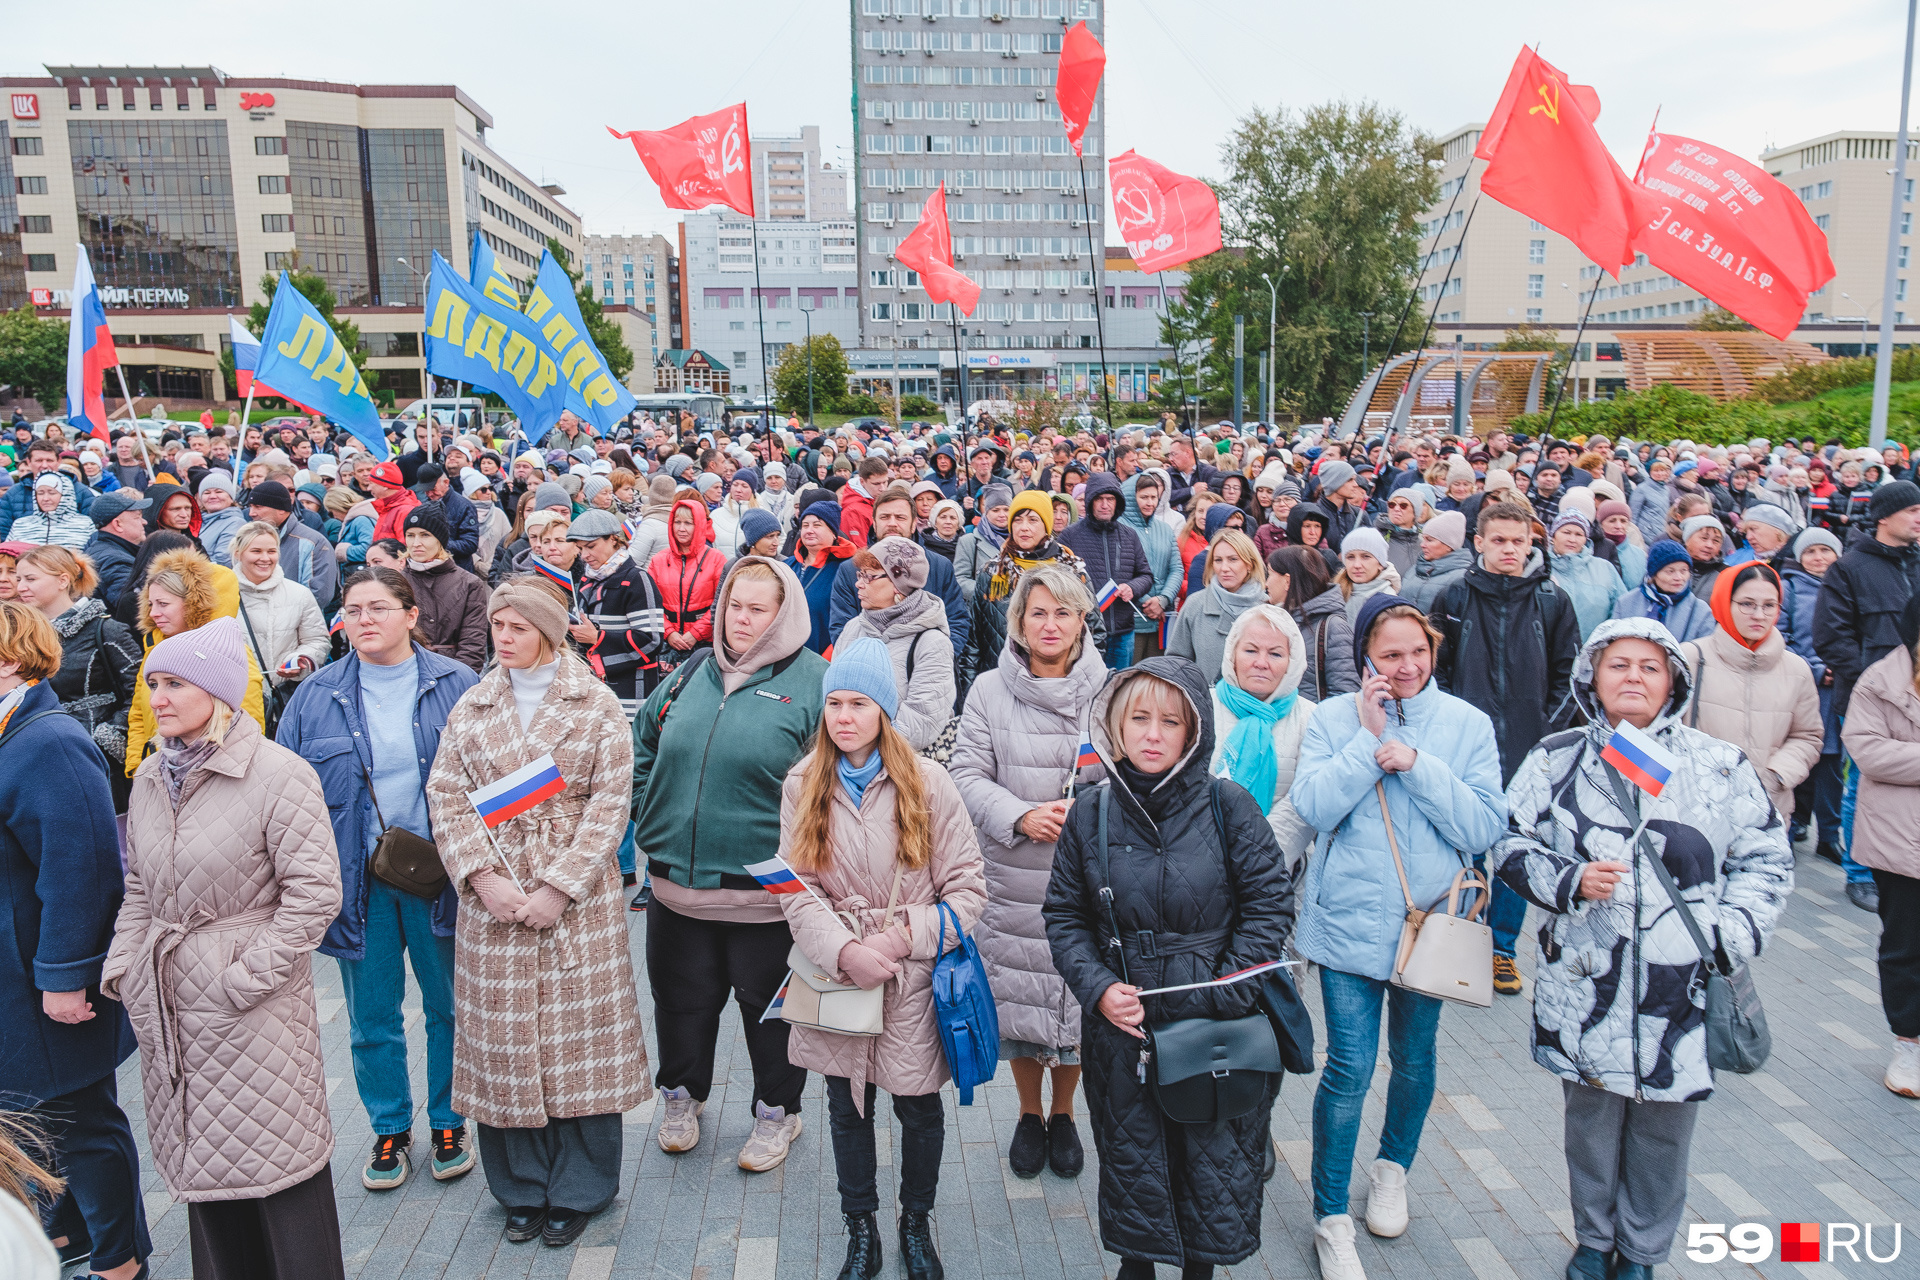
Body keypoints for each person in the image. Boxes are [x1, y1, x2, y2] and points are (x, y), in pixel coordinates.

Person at [1494, 618, 1792, 1280]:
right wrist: (1568, 880)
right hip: (1588, 979)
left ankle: (1645, 1250)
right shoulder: (1556, 757)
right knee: (1591, 1126)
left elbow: (1766, 856)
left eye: (1649, 667)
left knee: (1664, 1131)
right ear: (1593, 677)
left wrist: (1730, 931)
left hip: (1678, 988)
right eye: (1619, 664)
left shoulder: (1717, 765)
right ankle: (1594, 1240)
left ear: (1674, 682)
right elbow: (1509, 843)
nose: (1633, 677)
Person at [101, 616, 347, 1280]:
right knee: (206, 1181)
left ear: (216, 691)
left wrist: (243, 978)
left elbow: (314, 895)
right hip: (171, 1008)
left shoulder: (277, 773)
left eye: (175, 683)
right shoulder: (153, 777)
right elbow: (140, 887)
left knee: (279, 1176)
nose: (158, 698)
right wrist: (125, 968)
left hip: (255, 1014)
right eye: (154, 683)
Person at [1042, 656, 1293, 1280]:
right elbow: (1065, 917)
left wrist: (1226, 991)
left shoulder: (1226, 804)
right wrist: (1098, 990)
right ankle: (1137, 1263)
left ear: (1194, 730)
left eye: (1170, 722)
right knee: (1133, 1161)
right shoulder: (1090, 811)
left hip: (1214, 1025)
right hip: (1124, 1030)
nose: (1153, 735)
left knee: (1212, 1167)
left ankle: (1201, 1269)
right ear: (1117, 727)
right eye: (1140, 719)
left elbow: (1269, 904)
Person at [425, 580, 651, 1246]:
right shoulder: (474, 702)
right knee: (502, 1045)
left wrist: (558, 887)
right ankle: (519, 1186)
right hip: (495, 897)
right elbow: (447, 795)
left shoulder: (596, 702)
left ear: (550, 633)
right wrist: (483, 878)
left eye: (519, 626)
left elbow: (612, 802)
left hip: (575, 900)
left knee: (578, 1044)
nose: (503, 635)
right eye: (497, 624)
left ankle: (582, 1187)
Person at [1289, 596, 1506, 1280]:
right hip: (1350, 921)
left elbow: (1482, 828)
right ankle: (1330, 1215)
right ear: (1367, 662)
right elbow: (1314, 807)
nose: (1406, 666)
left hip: (1433, 923)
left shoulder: (1468, 725)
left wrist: (1417, 762)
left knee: (1414, 1058)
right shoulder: (1330, 717)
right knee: (1349, 1068)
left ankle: (1392, 1168)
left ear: (1434, 652)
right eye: (1390, 655)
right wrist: (1367, 738)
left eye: (1417, 652)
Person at [776, 637, 988, 1280]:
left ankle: (915, 1223)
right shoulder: (803, 783)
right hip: (839, 972)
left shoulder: (930, 783)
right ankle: (859, 1225)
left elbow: (968, 891)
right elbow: (795, 889)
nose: (844, 716)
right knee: (846, 1104)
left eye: (859, 703)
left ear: (884, 711)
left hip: (913, 978)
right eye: (834, 703)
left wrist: (896, 942)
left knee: (919, 1106)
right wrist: (844, 950)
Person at [278, 567, 480, 1193]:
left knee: (450, 1006)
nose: (363, 620)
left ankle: (450, 1119)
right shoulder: (317, 696)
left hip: (441, 877)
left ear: (411, 614)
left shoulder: (459, 685)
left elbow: (497, 775)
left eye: (378, 608)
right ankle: (390, 1126)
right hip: (356, 882)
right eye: (352, 609)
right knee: (372, 1016)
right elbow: (284, 792)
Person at [631, 557, 827, 1172]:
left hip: (764, 897)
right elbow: (643, 742)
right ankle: (682, 1097)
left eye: (756, 609)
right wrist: (649, 810)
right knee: (680, 1001)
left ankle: (777, 1112)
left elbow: (832, 786)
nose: (741, 620)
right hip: (675, 889)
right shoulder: (691, 672)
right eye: (733, 606)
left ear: (783, 612)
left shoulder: (814, 682)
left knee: (767, 1011)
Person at [0, 602, 149, 1280]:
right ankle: (64, 1242)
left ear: (10, 658)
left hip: (44, 983)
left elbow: (82, 870)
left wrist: (65, 977)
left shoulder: (48, 741)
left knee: (83, 1127)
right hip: (13, 984)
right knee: (30, 1127)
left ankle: (121, 1264)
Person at [950, 563, 1108, 1179]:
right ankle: (1026, 1111)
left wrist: (1086, 809)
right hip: (1013, 872)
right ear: (1018, 621)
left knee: (1074, 1000)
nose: (1050, 625)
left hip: (1085, 874)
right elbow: (965, 774)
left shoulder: (1112, 689)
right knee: (1019, 997)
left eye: (1062, 613)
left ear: (1080, 621)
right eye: (1037, 613)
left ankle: (1065, 1112)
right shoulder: (989, 689)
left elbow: (1132, 777)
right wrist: (1018, 816)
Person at [1814, 478, 1920, 913]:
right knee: (1864, 782)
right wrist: (1874, 685)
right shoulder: (1849, 568)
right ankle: (1861, 874)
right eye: (1912, 510)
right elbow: (1830, 636)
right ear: (1884, 517)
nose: (1919, 518)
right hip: (1871, 699)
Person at [1840, 593, 1920, 1096]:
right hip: (1902, 840)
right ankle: (1907, 1048)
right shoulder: (1881, 681)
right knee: (1906, 948)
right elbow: (1866, 749)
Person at [1678, 562, 1823, 823]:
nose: (1759, 615)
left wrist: (1777, 775)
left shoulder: (1797, 669)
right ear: (1725, 603)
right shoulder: (1689, 658)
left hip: (1766, 810)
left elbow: (1808, 736)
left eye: (1769, 605)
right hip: (1696, 810)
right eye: (1747, 604)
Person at [13, 546, 142, 811]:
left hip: (94, 761)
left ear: (63, 581)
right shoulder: (22, 636)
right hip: (39, 757)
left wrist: (106, 737)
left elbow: (140, 692)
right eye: (19, 579)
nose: (21, 586)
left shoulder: (106, 630)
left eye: (31, 578)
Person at [124, 548, 264, 780]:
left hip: (214, 777)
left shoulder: (226, 655)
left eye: (163, 603)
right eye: (150, 604)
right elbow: (139, 712)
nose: (154, 613)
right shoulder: (155, 651)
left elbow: (247, 719)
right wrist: (138, 766)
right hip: (159, 774)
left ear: (192, 604)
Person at [1210, 603, 1317, 874]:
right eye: (1250, 650)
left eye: (1275, 653)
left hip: (1278, 870)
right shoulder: (1201, 707)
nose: (1261, 662)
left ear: (1292, 662)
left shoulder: (1310, 718)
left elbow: (1303, 803)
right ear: (1232, 654)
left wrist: (1260, 859)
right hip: (1202, 866)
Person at [961, 491, 1092, 690]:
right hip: (1001, 685)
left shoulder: (1071, 570)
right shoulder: (993, 572)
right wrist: (970, 691)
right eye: (1018, 520)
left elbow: (1094, 632)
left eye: (1033, 520)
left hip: (1059, 685)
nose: (1024, 527)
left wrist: (1078, 681)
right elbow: (974, 641)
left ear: (1046, 524)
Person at [838, 537, 954, 751]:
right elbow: (832, 697)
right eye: (859, 574)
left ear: (898, 585)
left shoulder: (931, 642)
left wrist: (866, 750)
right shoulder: (854, 628)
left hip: (901, 767)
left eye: (869, 576)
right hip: (848, 760)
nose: (858, 583)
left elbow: (922, 720)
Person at [1781, 527, 1846, 860]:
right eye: (1810, 552)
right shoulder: (1790, 588)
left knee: (1832, 765)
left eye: (1825, 551)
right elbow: (1782, 637)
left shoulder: (1847, 586)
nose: (1818, 558)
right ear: (1800, 557)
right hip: (1804, 689)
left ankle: (1829, 835)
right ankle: (1791, 827)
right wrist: (1818, 669)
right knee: (1799, 760)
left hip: (1839, 690)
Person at [566, 508, 667, 717]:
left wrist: (597, 638)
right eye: (580, 548)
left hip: (630, 697)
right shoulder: (586, 580)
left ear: (614, 539)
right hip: (592, 691)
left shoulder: (638, 579)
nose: (585, 555)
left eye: (591, 546)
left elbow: (652, 640)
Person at [1057, 473, 1152, 669]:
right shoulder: (1069, 536)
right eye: (1099, 499)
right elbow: (1059, 582)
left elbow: (1146, 575)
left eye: (1110, 499)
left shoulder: (1129, 535)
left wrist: (1132, 588)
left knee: (1118, 688)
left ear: (1117, 502)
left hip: (1122, 631)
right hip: (1084, 632)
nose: (1105, 504)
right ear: (1090, 501)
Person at [230, 521, 330, 697]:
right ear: (238, 553)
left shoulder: (299, 594)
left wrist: (301, 660)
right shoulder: (222, 594)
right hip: (237, 696)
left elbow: (318, 640)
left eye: (271, 551)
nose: (265, 558)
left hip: (284, 696)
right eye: (256, 551)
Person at [1167, 528, 1266, 689]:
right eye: (1218, 560)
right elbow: (1177, 661)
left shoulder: (1266, 609)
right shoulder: (1195, 604)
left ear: (1249, 564)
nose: (1224, 568)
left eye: (1233, 559)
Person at [397, 503, 489, 675]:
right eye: (410, 535)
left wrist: (456, 682)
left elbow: (472, 645)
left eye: (425, 535)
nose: (416, 543)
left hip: (451, 673)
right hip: (405, 673)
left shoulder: (469, 583)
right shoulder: (395, 581)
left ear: (440, 540)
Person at [648, 496, 727, 666]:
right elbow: (650, 604)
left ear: (698, 525)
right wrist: (669, 633)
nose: (681, 529)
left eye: (688, 523)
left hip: (704, 644)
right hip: (666, 645)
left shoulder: (716, 559)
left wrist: (696, 634)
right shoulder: (658, 561)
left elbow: (721, 603)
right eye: (677, 522)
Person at [1609, 538, 1714, 642]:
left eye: (1683, 571)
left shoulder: (1700, 611)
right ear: (1654, 574)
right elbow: (1612, 642)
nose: (1679, 577)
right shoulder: (1626, 603)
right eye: (1670, 571)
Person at [1545, 512, 1627, 641]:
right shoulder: (1542, 568)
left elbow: (1622, 610)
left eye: (1579, 534)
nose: (1572, 539)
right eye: (1566, 532)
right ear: (1553, 535)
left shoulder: (1604, 568)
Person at [790, 500, 857, 655]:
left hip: (825, 657)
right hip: (784, 657)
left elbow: (851, 621)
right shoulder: (787, 565)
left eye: (817, 525)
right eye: (805, 525)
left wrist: (829, 656)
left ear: (833, 532)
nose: (809, 530)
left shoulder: (848, 569)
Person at [83, 492, 149, 610]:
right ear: (117, 524)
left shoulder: (108, 550)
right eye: (137, 517)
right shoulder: (115, 561)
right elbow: (134, 607)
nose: (144, 522)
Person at [1401, 510, 1470, 615]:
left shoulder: (1461, 578)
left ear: (1448, 545)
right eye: (1423, 539)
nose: (1422, 545)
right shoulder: (1414, 569)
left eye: (1429, 540)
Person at [954, 483, 1011, 601]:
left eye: (1006, 509)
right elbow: (960, 579)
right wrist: (988, 592)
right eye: (995, 510)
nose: (1002, 515)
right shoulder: (970, 541)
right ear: (986, 512)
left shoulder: (1020, 539)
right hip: (983, 611)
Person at [8, 475, 95, 550]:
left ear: (65, 495)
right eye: (40, 493)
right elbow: (6, 557)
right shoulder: (20, 525)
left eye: (52, 493)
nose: (45, 498)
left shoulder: (85, 524)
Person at [1334, 527, 1401, 624]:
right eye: (1350, 557)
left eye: (1366, 557)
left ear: (1380, 564)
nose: (1357, 565)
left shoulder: (1390, 604)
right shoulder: (1335, 595)